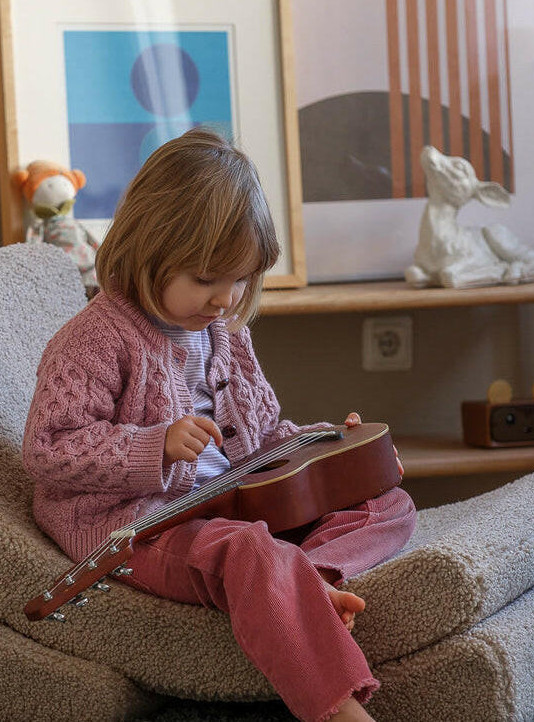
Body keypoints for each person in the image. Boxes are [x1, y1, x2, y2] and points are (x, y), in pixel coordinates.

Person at [22, 127, 416, 722]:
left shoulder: (226, 335)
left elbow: (262, 439)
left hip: (233, 505)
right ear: (144, 250)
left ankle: (304, 585)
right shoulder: (94, 339)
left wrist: (328, 450)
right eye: (206, 279)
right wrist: (155, 445)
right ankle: (340, 707)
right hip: (141, 526)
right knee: (246, 553)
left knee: (389, 501)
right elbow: (47, 447)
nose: (225, 298)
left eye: (240, 279)